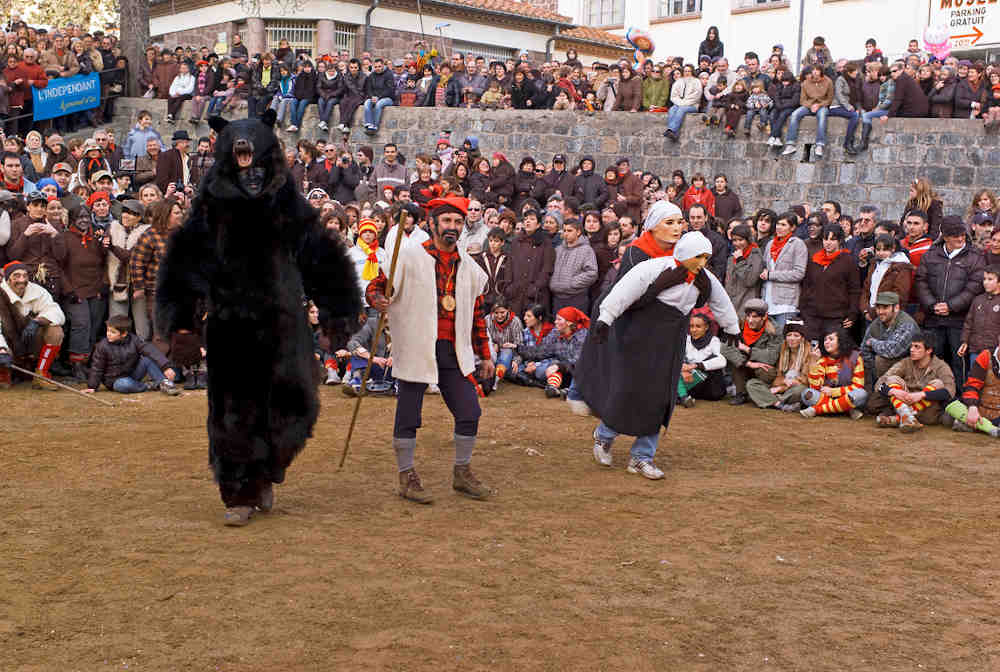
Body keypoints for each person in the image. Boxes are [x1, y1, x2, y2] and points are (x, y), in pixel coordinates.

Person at [579, 226, 740, 480]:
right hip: (640, 336)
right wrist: (606, 318)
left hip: (672, 341)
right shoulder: (654, 268)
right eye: (698, 257)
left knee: (661, 397)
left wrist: (732, 326)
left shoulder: (704, 278)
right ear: (685, 252)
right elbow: (624, 291)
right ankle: (604, 436)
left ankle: (642, 456)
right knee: (628, 389)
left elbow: (720, 300)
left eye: (706, 258)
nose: (702, 263)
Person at [367, 195, 493, 504]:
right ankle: (406, 476)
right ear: (433, 223)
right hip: (417, 346)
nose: (452, 227)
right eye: (447, 221)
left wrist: (486, 354)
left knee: (469, 411)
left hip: (453, 350)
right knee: (409, 414)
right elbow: (377, 286)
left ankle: (462, 473)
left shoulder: (468, 266)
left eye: (458, 222)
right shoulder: (408, 255)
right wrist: (377, 298)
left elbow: (477, 314)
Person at [915, 216, 985, 387]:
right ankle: (933, 398)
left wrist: (951, 306)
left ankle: (960, 399)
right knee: (934, 361)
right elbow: (921, 281)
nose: (960, 239)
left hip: (959, 321)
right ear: (945, 237)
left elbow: (974, 286)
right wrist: (932, 305)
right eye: (955, 236)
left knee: (958, 363)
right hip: (933, 319)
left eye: (962, 235)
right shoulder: (930, 255)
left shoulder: (975, 257)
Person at [870, 330, 955, 432]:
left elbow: (950, 392)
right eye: (911, 346)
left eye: (917, 347)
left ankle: (899, 418)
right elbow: (880, 383)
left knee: (938, 383)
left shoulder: (941, 366)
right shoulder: (905, 362)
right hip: (904, 402)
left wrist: (922, 395)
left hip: (927, 410)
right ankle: (906, 415)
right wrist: (893, 391)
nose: (911, 350)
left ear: (929, 350)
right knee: (892, 379)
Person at [0, 260, 65, 390]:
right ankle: (3, 374)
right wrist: (1, 350)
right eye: (16, 276)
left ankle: (41, 374)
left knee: (55, 330)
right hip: (7, 344)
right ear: (8, 279)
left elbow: (56, 312)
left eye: (25, 275)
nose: (22, 280)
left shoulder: (36, 291)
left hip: (30, 340)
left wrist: (38, 321)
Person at [84, 315, 180, 395]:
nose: (108, 334)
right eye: (108, 330)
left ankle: (165, 383)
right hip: (115, 381)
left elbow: (150, 350)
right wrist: (92, 386)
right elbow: (97, 368)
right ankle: (149, 386)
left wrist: (166, 367)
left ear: (124, 334)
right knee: (124, 385)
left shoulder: (134, 340)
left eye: (113, 332)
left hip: (132, 374)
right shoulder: (102, 346)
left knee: (147, 359)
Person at [799, 224, 860, 343]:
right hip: (812, 316)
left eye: (832, 239)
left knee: (832, 350)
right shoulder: (815, 260)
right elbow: (806, 286)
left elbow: (854, 290)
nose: (828, 243)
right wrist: (803, 309)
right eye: (825, 239)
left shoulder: (848, 261)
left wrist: (852, 313)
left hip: (836, 316)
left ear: (840, 241)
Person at [746, 318, 817, 411]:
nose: (792, 338)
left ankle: (769, 399)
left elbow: (807, 381)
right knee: (752, 384)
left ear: (802, 338)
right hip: (781, 387)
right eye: (789, 335)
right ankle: (780, 404)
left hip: (794, 389)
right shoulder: (782, 350)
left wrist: (781, 388)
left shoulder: (809, 353)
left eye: (796, 335)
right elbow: (777, 378)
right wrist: (783, 382)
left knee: (800, 390)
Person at [722, 298, 782, 406]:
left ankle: (761, 391)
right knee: (736, 361)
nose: (750, 320)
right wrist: (748, 363)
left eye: (755, 317)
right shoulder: (738, 325)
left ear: (764, 316)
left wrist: (748, 349)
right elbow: (724, 348)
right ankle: (741, 393)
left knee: (766, 369)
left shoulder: (774, 330)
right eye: (748, 316)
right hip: (746, 364)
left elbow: (772, 357)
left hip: (762, 367)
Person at [800, 327, 867, 420]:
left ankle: (818, 410)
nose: (826, 342)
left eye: (831, 339)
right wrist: (813, 362)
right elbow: (815, 387)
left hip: (848, 396)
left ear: (841, 341)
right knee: (807, 394)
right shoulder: (822, 359)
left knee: (861, 394)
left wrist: (834, 392)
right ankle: (846, 409)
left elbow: (858, 386)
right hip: (827, 398)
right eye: (825, 340)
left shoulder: (855, 357)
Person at [860, 291, 920, 391]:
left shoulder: (906, 324)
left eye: (885, 307)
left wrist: (873, 343)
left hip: (911, 366)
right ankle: (879, 389)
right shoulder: (876, 324)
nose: (880, 312)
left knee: (880, 360)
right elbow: (863, 350)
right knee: (869, 361)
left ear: (896, 308)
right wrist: (873, 366)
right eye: (878, 308)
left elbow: (892, 350)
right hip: (887, 368)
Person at [945, 343, 1000, 436]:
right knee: (948, 414)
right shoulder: (986, 356)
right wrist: (972, 407)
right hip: (981, 408)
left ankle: (987, 428)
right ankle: (989, 427)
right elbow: (972, 385)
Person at [781, 65, 834, 158]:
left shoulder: (828, 81)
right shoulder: (805, 83)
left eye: (817, 70)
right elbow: (802, 100)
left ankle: (819, 145)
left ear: (821, 72)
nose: (815, 72)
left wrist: (819, 105)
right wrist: (811, 106)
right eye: (813, 70)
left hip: (822, 105)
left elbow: (829, 99)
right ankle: (790, 144)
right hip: (808, 105)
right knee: (795, 114)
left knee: (822, 116)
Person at [677, 313, 727, 406]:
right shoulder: (686, 340)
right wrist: (683, 370)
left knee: (712, 359)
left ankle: (681, 396)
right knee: (676, 365)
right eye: (691, 326)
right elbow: (678, 359)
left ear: (706, 327)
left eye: (698, 326)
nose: (694, 330)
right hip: (692, 382)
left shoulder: (714, 340)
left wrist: (696, 365)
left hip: (711, 388)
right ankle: (684, 398)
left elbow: (722, 361)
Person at [958, 265, 1000, 374]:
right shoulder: (978, 300)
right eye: (984, 279)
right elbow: (969, 323)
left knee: (994, 384)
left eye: (990, 279)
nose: (985, 282)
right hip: (976, 350)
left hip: (995, 352)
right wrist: (965, 341)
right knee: (974, 381)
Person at [549, 218, 597, 313]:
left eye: (570, 230)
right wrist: (553, 282)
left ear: (578, 232)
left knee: (575, 327)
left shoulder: (586, 250)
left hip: (576, 298)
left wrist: (571, 283)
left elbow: (592, 273)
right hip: (557, 299)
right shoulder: (558, 249)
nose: (566, 233)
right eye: (565, 230)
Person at [724, 223, 763, 314]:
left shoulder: (755, 255)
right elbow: (728, 282)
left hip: (747, 306)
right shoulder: (732, 257)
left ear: (748, 240)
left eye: (741, 240)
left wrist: (740, 260)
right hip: (731, 305)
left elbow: (749, 280)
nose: (737, 243)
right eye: (734, 240)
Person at [485, 299, 522, 387]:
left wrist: (516, 361)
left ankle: (496, 378)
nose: (499, 316)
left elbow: (520, 345)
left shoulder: (515, 321)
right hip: (491, 354)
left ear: (508, 310)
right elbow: (483, 340)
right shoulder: (487, 319)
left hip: (510, 356)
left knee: (507, 350)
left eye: (502, 312)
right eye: (496, 313)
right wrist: (492, 345)